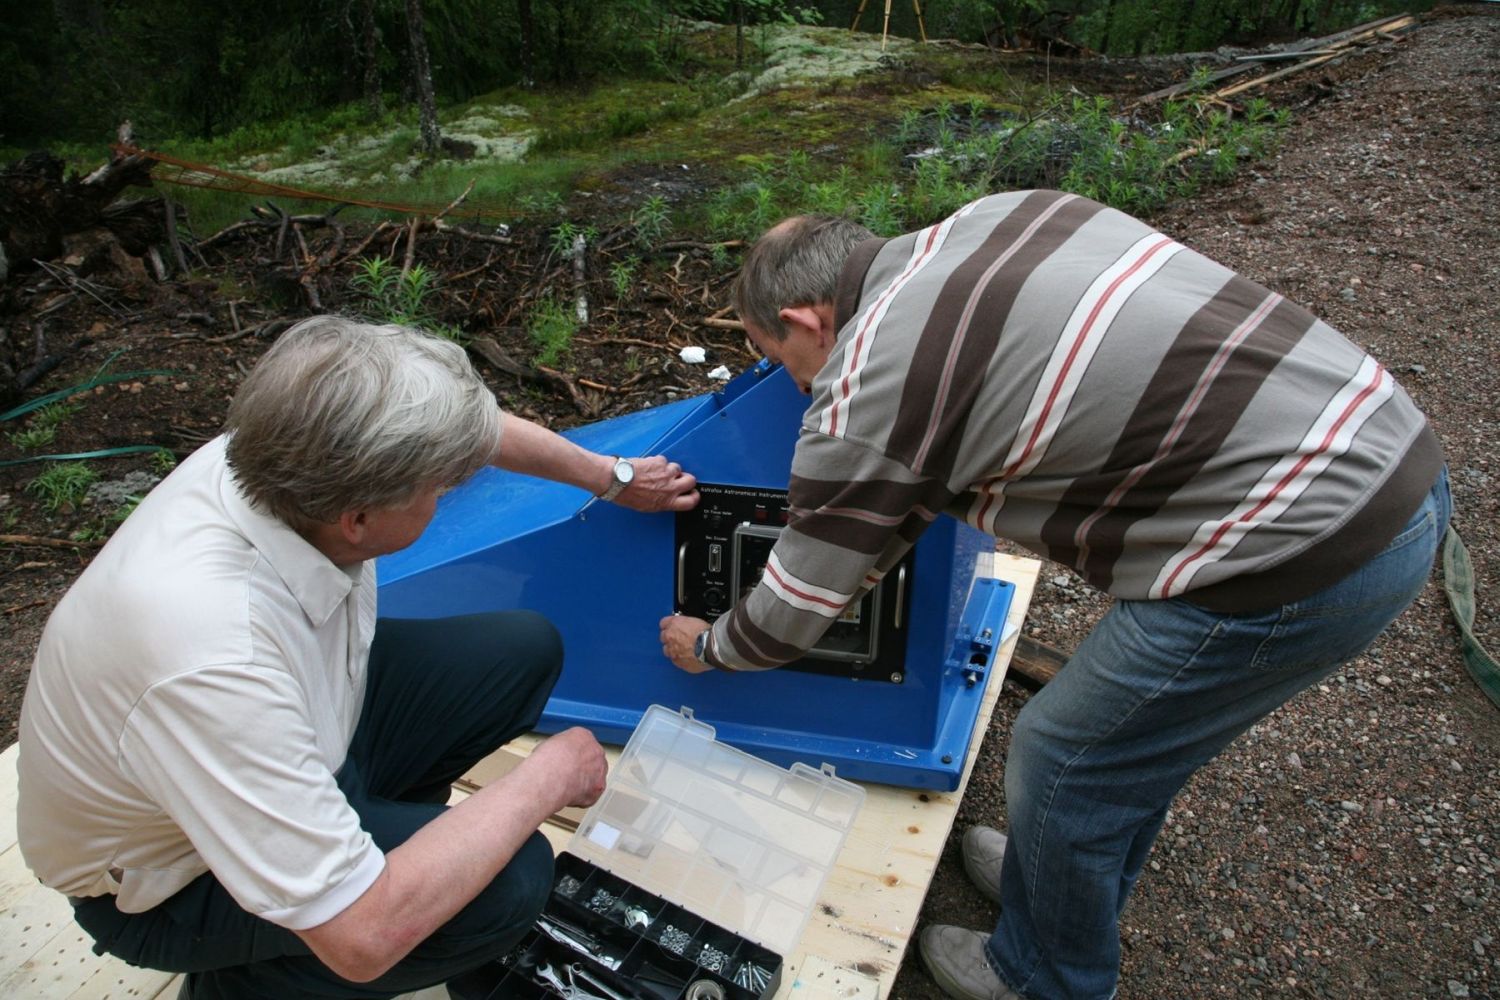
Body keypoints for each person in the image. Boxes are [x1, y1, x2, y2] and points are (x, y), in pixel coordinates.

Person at [658, 191, 1448, 1000]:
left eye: (782, 360)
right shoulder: (1000, 217)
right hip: (1388, 445)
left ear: (807, 320)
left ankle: (1044, 976)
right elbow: (913, 479)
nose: (797, 387)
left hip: (1304, 547)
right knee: (1128, 748)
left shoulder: (870, 381)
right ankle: (1058, 875)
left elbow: (795, 609)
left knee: (1065, 756)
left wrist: (711, 645)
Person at [18, 315, 699, 1000]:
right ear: (360, 519)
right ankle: (253, 982)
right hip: (177, 878)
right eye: (438, 489)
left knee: (518, 653)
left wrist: (611, 477)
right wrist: (542, 782)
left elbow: (471, 431)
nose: (448, 494)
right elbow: (361, 933)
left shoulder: (290, 449)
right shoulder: (217, 660)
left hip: (298, 729)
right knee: (507, 883)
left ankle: (377, 837)